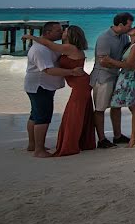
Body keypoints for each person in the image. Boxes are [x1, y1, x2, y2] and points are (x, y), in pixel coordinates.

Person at [23, 25, 93, 157]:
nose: (62, 32)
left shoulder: (68, 48)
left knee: (72, 114)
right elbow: (48, 67)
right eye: (60, 30)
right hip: (43, 85)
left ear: (71, 35)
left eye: (64, 31)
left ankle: (42, 145)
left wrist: (31, 37)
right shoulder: (59, 48)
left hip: (79, 85)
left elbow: (47, 43)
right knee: (41, 116)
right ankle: (38, 148)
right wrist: (71, 71)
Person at [89, 12, 134, 148]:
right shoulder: (104, 38)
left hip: (116, 75)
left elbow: (125, 54)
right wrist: (123, 65)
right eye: (129, 25)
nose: (130, 28)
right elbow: (103, 62)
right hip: (103, 76)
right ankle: (102, 139)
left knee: (116, 106)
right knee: (100, 108)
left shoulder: (124, 37)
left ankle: (117, 135)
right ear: (120, 25)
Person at [109, 25, 135, 147]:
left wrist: (110, 61)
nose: (131, 28)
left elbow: (128, 64)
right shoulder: (130, 44)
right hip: (125, 77)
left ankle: (134, 138)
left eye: (134, 28)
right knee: (130, 107)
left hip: (131, 78)